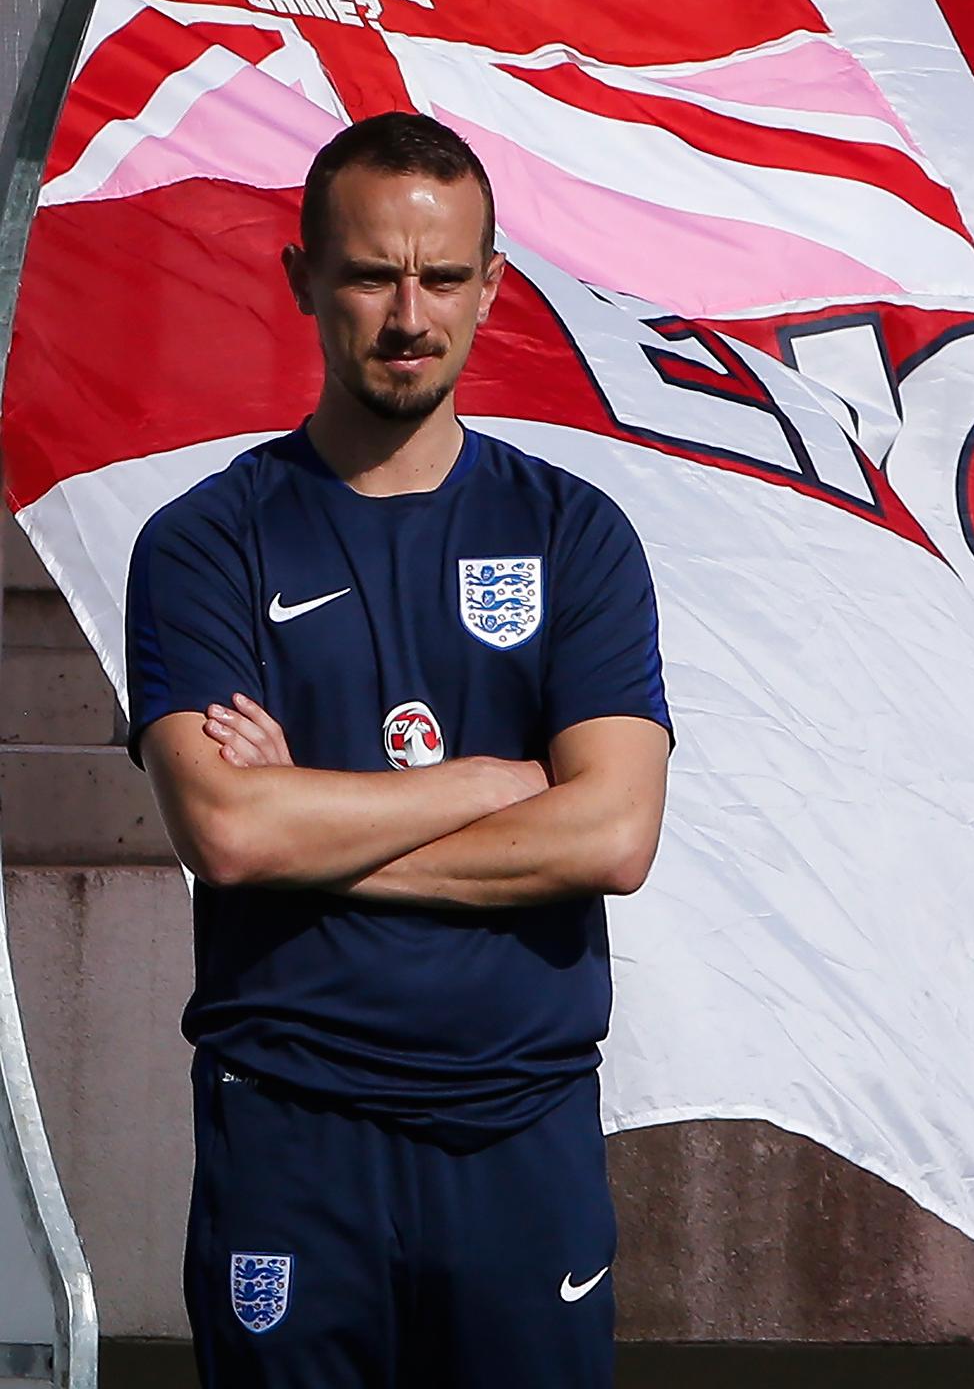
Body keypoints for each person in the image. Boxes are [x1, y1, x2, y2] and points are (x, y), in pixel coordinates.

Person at [124, 111, 673, 1387]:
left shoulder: (574, 537)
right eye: (372, 274)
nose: (407, 315)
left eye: (440, 278)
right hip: (290, 1132)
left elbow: (611, 834)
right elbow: (226, 830)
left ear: (491, 289)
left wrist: (306, 833)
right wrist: (482, 785)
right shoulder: (206, 543)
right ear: (304, 277)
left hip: (517, 1134)